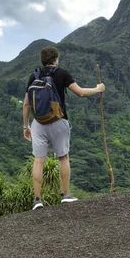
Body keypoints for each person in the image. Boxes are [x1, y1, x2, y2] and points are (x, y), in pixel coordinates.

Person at [22, 46, 105, 210]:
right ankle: (65, 196)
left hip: (38, 123)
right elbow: (80, 93)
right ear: (55, 59)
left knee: (39, 161)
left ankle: (37, 200)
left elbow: (26, 103)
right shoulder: (62, 73)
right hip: (58, 121)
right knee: (63, 157)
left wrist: (26, 126)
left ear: (42, 60)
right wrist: (98, 89)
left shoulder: (35, 75)